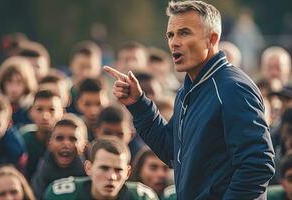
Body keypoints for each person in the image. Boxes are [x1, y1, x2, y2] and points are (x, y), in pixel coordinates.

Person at [104, 1, 275, 199]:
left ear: (212, 39)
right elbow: (173, 151)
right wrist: (139, 104)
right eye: (170, 35)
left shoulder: (233, 88)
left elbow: (257, 165)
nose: (174, 42)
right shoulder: (188, 90)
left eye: (184, 33)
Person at [43, 136, 158, 200]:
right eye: (104, 168)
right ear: (89, 168)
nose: (111, 176)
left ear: (127, 173)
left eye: (119, 170)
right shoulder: (62, 194)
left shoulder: (142, 197)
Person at [31, 115, 88, 199]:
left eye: (73, 139)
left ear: (84, 146)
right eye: (59, 138)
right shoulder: (39, 179)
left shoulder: (90, 177)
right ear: (49, 143)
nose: (65, 143)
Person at [23, 89, 64, 179]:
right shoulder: (24, 140)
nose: (45, 116)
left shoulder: (68, 141)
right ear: (30, 112)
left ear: (62, 112)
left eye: (52, 110)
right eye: (39, 109)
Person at [0, 56, 37, 128]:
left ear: (27, 84)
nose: (14, 88)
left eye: (19, 82)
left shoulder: (32, 109)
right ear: (3, 82)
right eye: (9, 81)